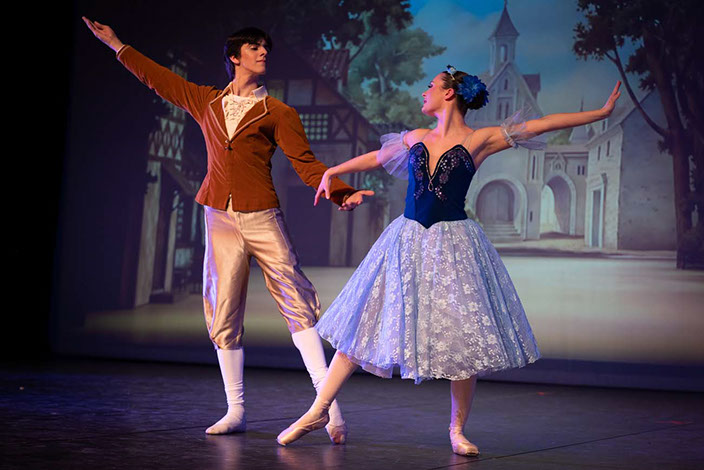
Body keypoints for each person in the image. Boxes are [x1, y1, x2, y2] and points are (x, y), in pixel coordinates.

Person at [276, 65, 622, 455]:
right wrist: (333, 171)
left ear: (449, 93)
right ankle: (319, 410)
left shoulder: (479, 139)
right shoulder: (416, 137)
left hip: (453, 244)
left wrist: (600, 113)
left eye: (430, 86)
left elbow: (541, 125)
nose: (424, 92)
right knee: (365, 321)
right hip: (406, 240)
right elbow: (377, 156)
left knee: (463, 336)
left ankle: (457, 430)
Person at [82, 18, 373, 443]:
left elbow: (307, 164)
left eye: (265, 47)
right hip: (219, 215)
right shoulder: (206, 101)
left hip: (262, 214)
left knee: (297, 302)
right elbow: (158, 78)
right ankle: (235, 409)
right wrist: (117, 45)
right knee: (223, 310)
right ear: (235, 57)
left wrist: (341, 193)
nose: (263, 52)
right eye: (254, 47)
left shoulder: (279, 112)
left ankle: (327, 408)